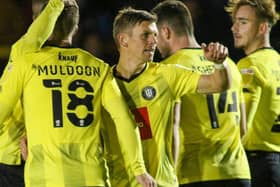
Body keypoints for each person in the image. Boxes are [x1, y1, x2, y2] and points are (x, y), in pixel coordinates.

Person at [0, 1, 157, 187]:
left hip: (45, 177)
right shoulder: (99, 68)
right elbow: (124, 119)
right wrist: (138, 169)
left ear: (43, 24)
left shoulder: (26, 62)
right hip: (92, 177)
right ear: (75, 29)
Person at [104, 7, 231, 186]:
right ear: (123, 40)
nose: (153, 41)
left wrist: (219, 64)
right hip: (119, 183)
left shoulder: (165, 75)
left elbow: (217, 84)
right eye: (145, 35)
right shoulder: (103, 83)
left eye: (155, 35)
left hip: (161, 182)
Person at [151, 1, 251, 187]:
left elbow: (170, 128)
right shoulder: (229, 65)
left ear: (165, 32)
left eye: (156, 36)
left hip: (196, 172)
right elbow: (243, 129)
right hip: (238, 172)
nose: (155, 44)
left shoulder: (168, 69)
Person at [0, 0, 64, 186]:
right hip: (16, 156)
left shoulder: (26, 53)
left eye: (39, 18)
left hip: (29, 157)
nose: (35, 22)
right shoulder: (26, 54)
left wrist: (56, 4)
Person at [226, 0, 280, 187]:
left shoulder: (249, 65)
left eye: (243, 22)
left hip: (256, 165)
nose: (234, 28)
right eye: (235, 22)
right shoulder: (277, 61)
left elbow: (240, 124)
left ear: (262, 28)